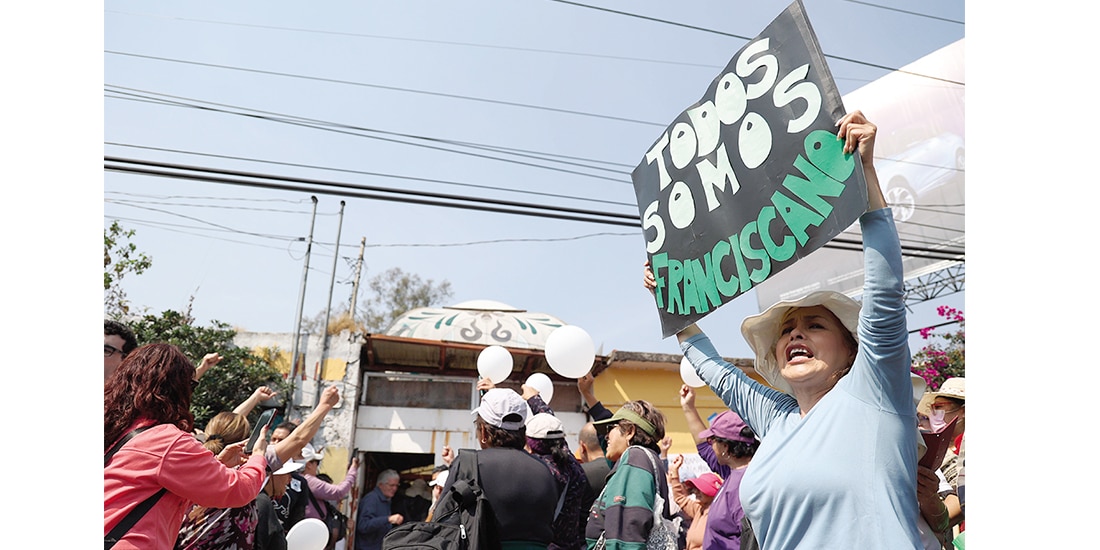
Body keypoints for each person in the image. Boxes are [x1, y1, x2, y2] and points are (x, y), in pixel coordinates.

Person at [651, 111, 923, 548]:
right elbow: (717, 371)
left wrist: (866, 172)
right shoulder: (776, 419)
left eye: (814, 326)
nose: (795, 335)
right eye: (786, 331)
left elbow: (886, 291)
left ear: (852, 351)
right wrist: (671, 300)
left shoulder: (873, 393)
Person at [104, 343, 268, 549]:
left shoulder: (117, 429)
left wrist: (217, 465)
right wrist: (258, 457)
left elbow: (157, 492)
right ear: (178, 390)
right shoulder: (168, 442)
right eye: (191, 386)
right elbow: (237, 490)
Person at [434, 387, 560, 549]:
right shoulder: (544, 469)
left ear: (485, 432)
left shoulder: (468, 462)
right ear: (522, 431)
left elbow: (441, 518)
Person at [585, 399, 674, 549]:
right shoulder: (646, 459)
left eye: (610, 428)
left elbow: (627, 534)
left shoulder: (634, 458)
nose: (606, 436)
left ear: (630, 432)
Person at [679, 385, 759, 550]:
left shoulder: (746, 485)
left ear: (726, 447)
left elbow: (751, 541)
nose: (710, 445)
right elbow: (703, 448)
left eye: (712, 440)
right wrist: (688, 408)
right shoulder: (733, 470)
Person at [300, 444, 359, 545]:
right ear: (309, 464)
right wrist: (353, 470)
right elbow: (339, 492)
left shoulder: (295, 479)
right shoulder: (308, 480)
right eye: (316, 463)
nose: (317, 467)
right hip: (311, 533)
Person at [667, 453, 722, 550]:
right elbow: (680, 498)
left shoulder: (719, 515)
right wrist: (675, 472)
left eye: (700, 489)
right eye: (695, 488)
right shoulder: (699, 509)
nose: (695, 492)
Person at [255, 461, 305, 550]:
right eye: (287, 474)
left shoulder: (261, 499)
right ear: (272, 475)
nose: (290, 479)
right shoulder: (261, 501)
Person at [355, 469, 403, 550]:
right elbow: (363, 525)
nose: (394, 488)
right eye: (391, 485)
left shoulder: (386, 500)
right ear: (380, 485)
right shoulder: (371, 500)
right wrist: (388, 519)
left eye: (396, 485)